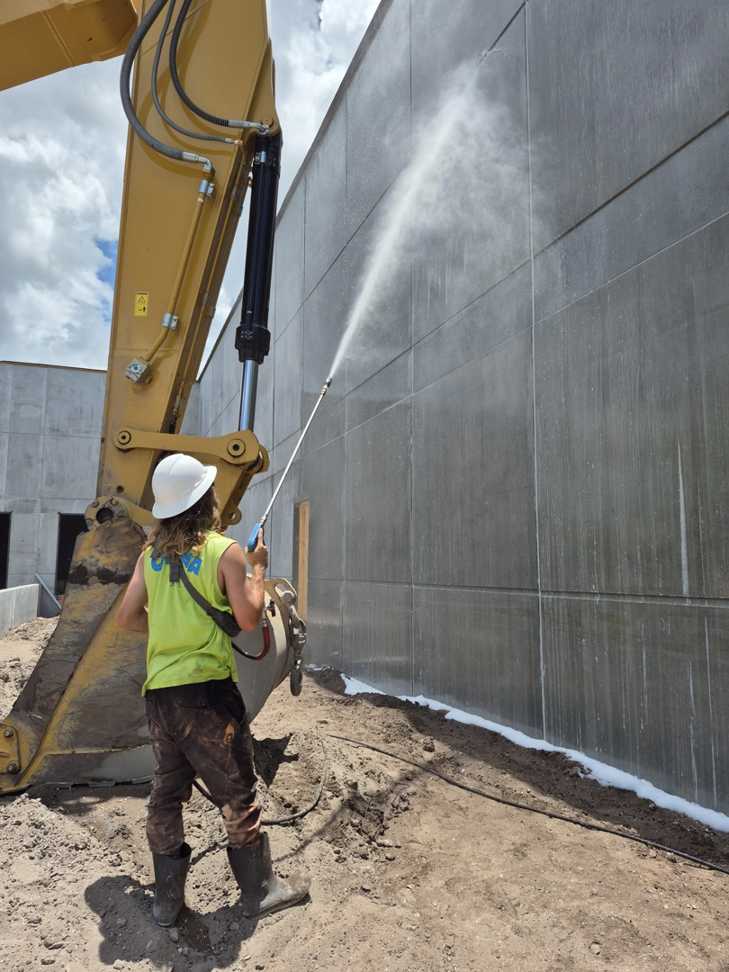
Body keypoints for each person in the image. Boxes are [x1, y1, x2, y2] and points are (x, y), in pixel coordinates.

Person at [118, 453, 309, 927]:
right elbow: (247, 620)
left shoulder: (151, 556)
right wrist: (259, 567)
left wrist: (169, 633)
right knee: (237, 793)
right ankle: (260, 891)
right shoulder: (226, 551)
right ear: (205, 499)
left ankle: (166, 903)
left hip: (160, 694)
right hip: (206, 696)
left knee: (166, 792)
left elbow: (126, 618)